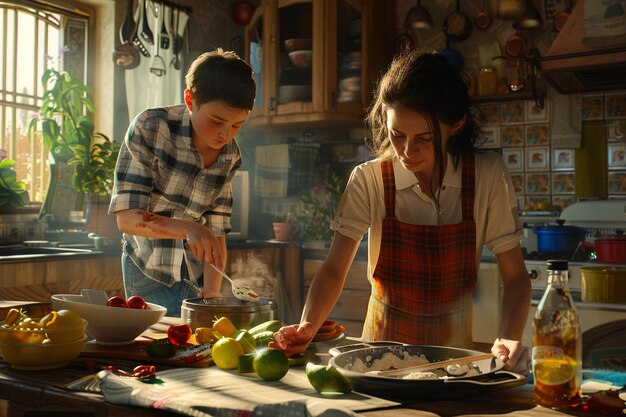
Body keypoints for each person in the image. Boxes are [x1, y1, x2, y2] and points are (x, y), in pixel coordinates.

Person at [272, 48, 532, 374]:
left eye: (424, 138)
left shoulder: (486, 175)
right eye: (397, 135)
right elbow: (333, 270)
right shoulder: (369, 180)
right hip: (378, 363)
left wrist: (509, 337)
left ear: (456, 125)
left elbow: (517, 278)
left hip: (454, 365)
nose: (408, 151)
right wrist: (307, 326)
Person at [108, 49, 256, 317]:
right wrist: (190, 229)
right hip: (147, 269)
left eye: (237, 125)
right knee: (157, 348)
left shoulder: (230, 155)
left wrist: (213, 293)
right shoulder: (151, 128)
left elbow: (216, 232)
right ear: (190, 99)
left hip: (197, 277)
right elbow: (127, 218)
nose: (225, 134)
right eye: (217, 121)